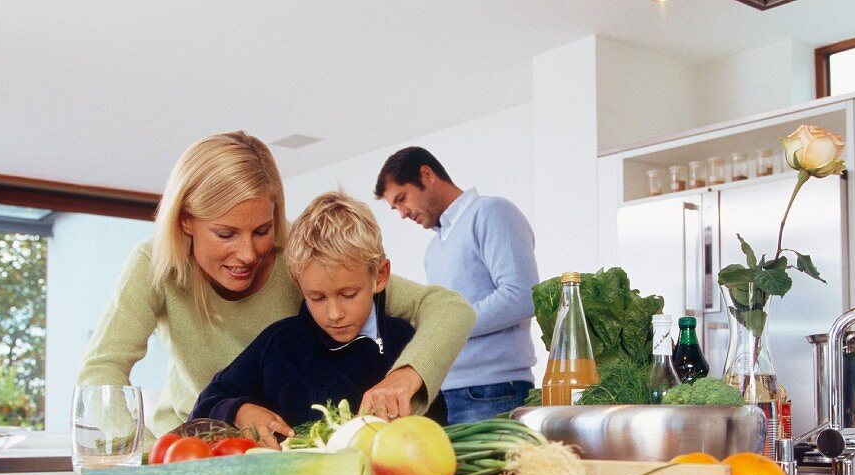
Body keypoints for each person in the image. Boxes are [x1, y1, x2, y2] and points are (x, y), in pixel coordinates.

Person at [77, 132, 473, 447]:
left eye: (263, 230)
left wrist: (404, 376)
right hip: (195, 448)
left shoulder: (300, 260)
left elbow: (447, 308)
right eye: (226, 234)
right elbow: (102, 370)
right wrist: (143, 455)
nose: (248, 253)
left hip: (281, 455)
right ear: (185, 221)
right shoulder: (153, 264)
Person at [190, 190, 447, 431]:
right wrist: (240, 411)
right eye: (317, 298)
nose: (334, 313)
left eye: (348, 295)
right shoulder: (277, 344)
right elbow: (206, 404)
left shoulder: (404, 341)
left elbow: (437, 427)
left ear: (380, 276)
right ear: (299, 287)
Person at [374, 147, 539, 424]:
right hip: (444, 393)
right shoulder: (434, 249)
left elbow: (521, 295)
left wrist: (446, 326)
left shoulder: (491, 212)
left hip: (493, 391)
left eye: (402, 199)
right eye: (395, 207)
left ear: (426, 175)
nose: (402, 213)